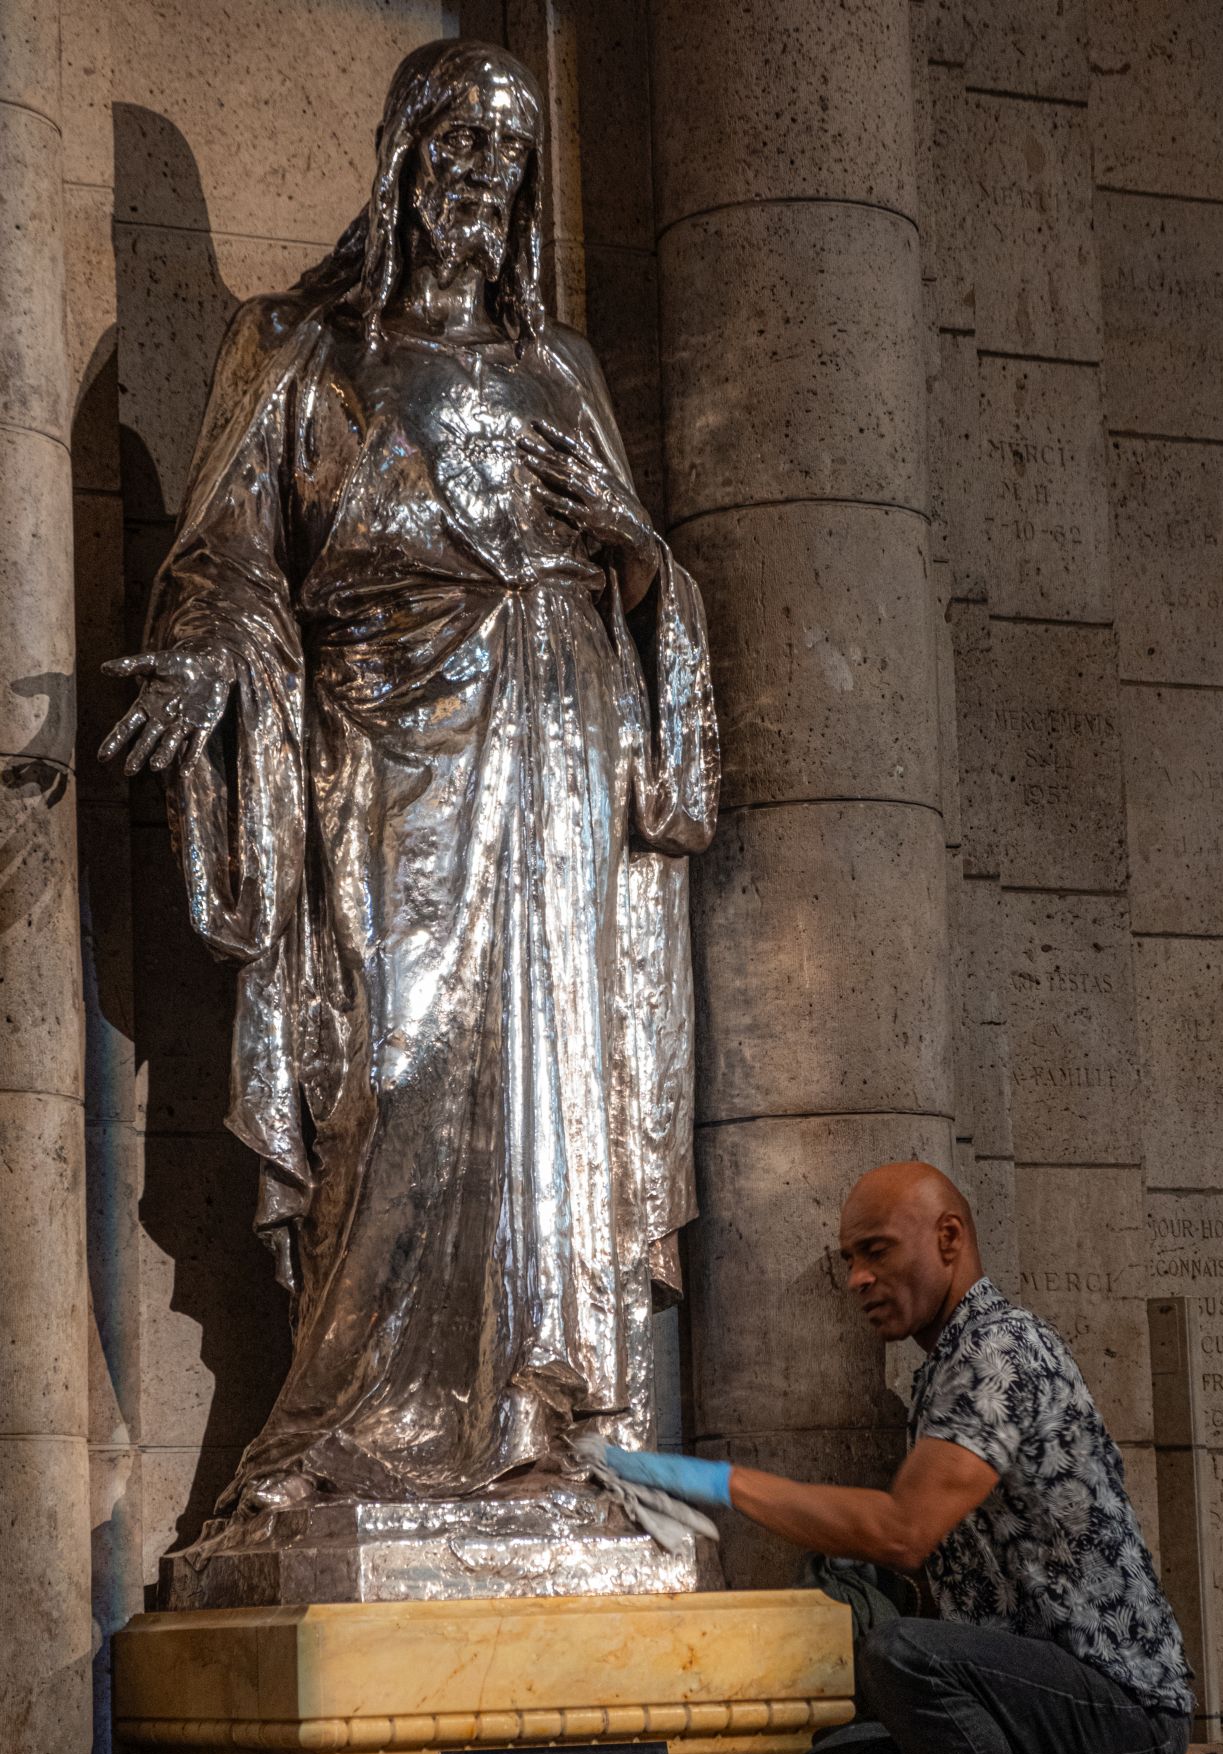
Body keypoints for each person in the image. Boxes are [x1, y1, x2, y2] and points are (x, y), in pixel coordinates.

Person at [97, 41, 717, 1522]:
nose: (482, 176)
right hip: (386, 770)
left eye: (509, 152)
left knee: (548, 1093)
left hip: (561, 763)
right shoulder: (300, 350)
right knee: (390, 1072)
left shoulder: (560, 372)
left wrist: (635, 554)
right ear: (401, 157)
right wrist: (209, 660)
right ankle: (359, 1413)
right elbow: (232, 558)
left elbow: (644, 580)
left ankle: (544, 1426)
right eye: (459, 142)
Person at [598, 1160, 1193, 1754]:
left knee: (905, 1655)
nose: (857, 1278)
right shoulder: (947, 1367)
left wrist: (718, 1483)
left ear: (948, 1238)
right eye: (850, 1258)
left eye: (876, 1251)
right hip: (1032, 1718)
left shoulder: (998, 1351)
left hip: (1125, 1723)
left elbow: (903, 1531)